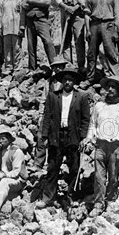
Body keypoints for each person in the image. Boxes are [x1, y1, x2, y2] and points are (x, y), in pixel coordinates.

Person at [81, 77, 119, 216]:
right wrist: (88, 139)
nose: (110, 89)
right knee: (99, 176)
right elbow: (93, 125)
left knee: (113, 176)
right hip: (100, 145)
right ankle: (98, 204)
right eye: (108, 86)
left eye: (113, 87)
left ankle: (111, 200)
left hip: (116, 145)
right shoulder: (99, 106)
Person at [38, 66, 90, 206]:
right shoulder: (53, 96)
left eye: (70, 80)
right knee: (53, 168)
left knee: (74, 168)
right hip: (56, 135)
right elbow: (47, 116)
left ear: (74, 82)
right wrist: (45, 136)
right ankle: (48, 197)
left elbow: (86, 119)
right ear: (61, 81)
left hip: (73, 136)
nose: (68, 82)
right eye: (65, 80)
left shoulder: (82, 97)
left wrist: (83, 137)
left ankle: (72, 196)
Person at [80, 0, 119, 88]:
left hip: (108, 24)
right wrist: (87, 30)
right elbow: (87, 14)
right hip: (94, 25)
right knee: (91, 53)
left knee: (110, 51)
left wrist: (116, 30)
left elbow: (117, 14)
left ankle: (114, 77)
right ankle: (90, 78)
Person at [55, 0, 89, 73]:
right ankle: (67, 63)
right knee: (65, 39)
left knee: (79, 39)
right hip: (65, 11)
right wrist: (66, 7)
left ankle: (80, 66)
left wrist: (75, 8)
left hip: (78, 13)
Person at [23, 0, 59, 72]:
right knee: (31, 44)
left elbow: (47, 3)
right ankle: (32, 68)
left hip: (42, 18)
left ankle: (55, 65)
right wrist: (39, 2)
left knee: (47, 41)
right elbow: (24, 5)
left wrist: (31, 1)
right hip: (30, 19)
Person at [0, 0, 24, 74]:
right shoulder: (3, 0)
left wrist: (22, 27)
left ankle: (17, 67)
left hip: (16, 26)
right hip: (6, 26)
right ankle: (8, 67)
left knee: (17, 48)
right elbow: (0, 14)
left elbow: (22, 14)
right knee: (7, 48)